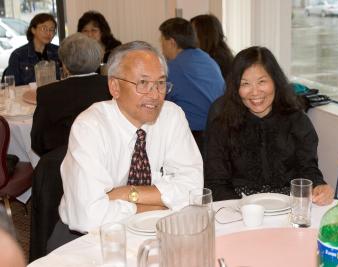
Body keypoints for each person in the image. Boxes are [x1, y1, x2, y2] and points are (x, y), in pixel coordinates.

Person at [47, 41, 203, 250]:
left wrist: (126, 193)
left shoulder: (172, 116)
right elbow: (89, 216)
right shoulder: (90, 126)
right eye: (143, 83)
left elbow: (193, 190)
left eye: (161, 83)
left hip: (155, 233)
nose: (155, 95)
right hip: (88, 239)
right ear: (115, 87)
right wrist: (160, 203)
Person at [204, 46, 334, 205]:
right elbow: (216, 183)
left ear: (275, 81)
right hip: (238, 207)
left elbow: (308, 169)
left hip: (288, 206)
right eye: (245, 84)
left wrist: (319, 186)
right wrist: (244, 209)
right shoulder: (222, 124)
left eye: (262, 82)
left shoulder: (297, 120)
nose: (255, 92)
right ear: (236, 88)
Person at [31, 33, 112, 156]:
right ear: (98, 59)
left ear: (65, 64)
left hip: (61, 165)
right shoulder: (114, 86)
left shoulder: (48, 93)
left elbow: (38, 142)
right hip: (108, 160)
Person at [159, 17, 225, 153]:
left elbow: (159, 102)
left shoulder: (174, 67)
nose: (161, 47)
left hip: (194, 137)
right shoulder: (207, 59)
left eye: (162, 42)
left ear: (171, 42)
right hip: (219, 132)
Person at [5, 13, 60, 85]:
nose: (48, 33)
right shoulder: (18, 55)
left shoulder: (59, 51)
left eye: (52, 30)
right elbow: (11, 86)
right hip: (26, 95)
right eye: (44, 29)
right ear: (33, 30)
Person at [190, 14, 234, 80]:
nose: (189, 36)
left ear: (205, 34)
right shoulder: (222, 54)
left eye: (192, 32)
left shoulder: (216, 60)